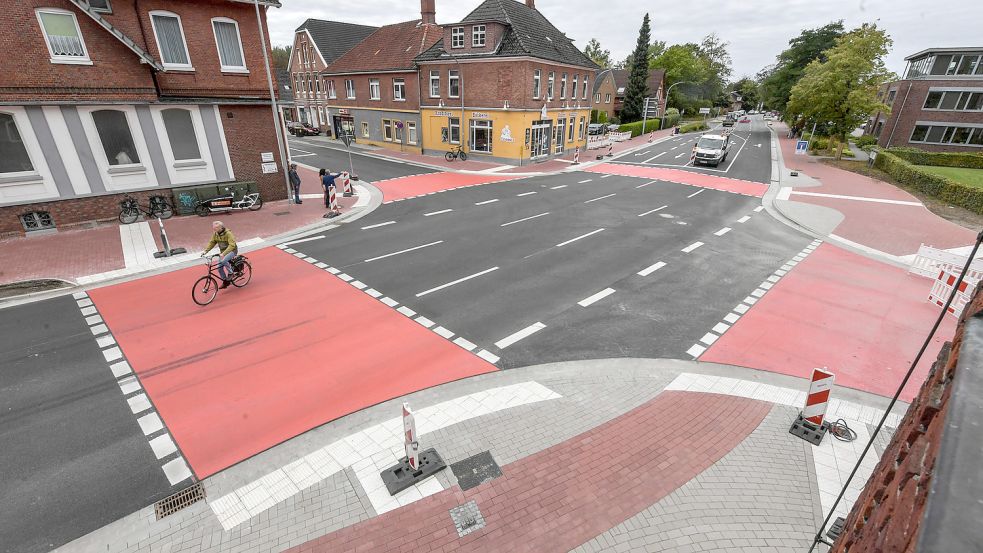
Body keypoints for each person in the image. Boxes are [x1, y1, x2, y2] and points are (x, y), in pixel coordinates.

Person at [201, 221, 238, 288]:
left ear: (221, 227)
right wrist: (205, 251)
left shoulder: (228, 233)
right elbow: (212, 243)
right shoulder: (216, 234)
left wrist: (223, 253)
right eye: (214, 227)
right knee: (219, 268)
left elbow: (232, 245)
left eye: (216, 228)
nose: (214, 229)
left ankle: (231, 273)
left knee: (223, 261)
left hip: (232, 250)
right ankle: (225, 282)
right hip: (223, 252)